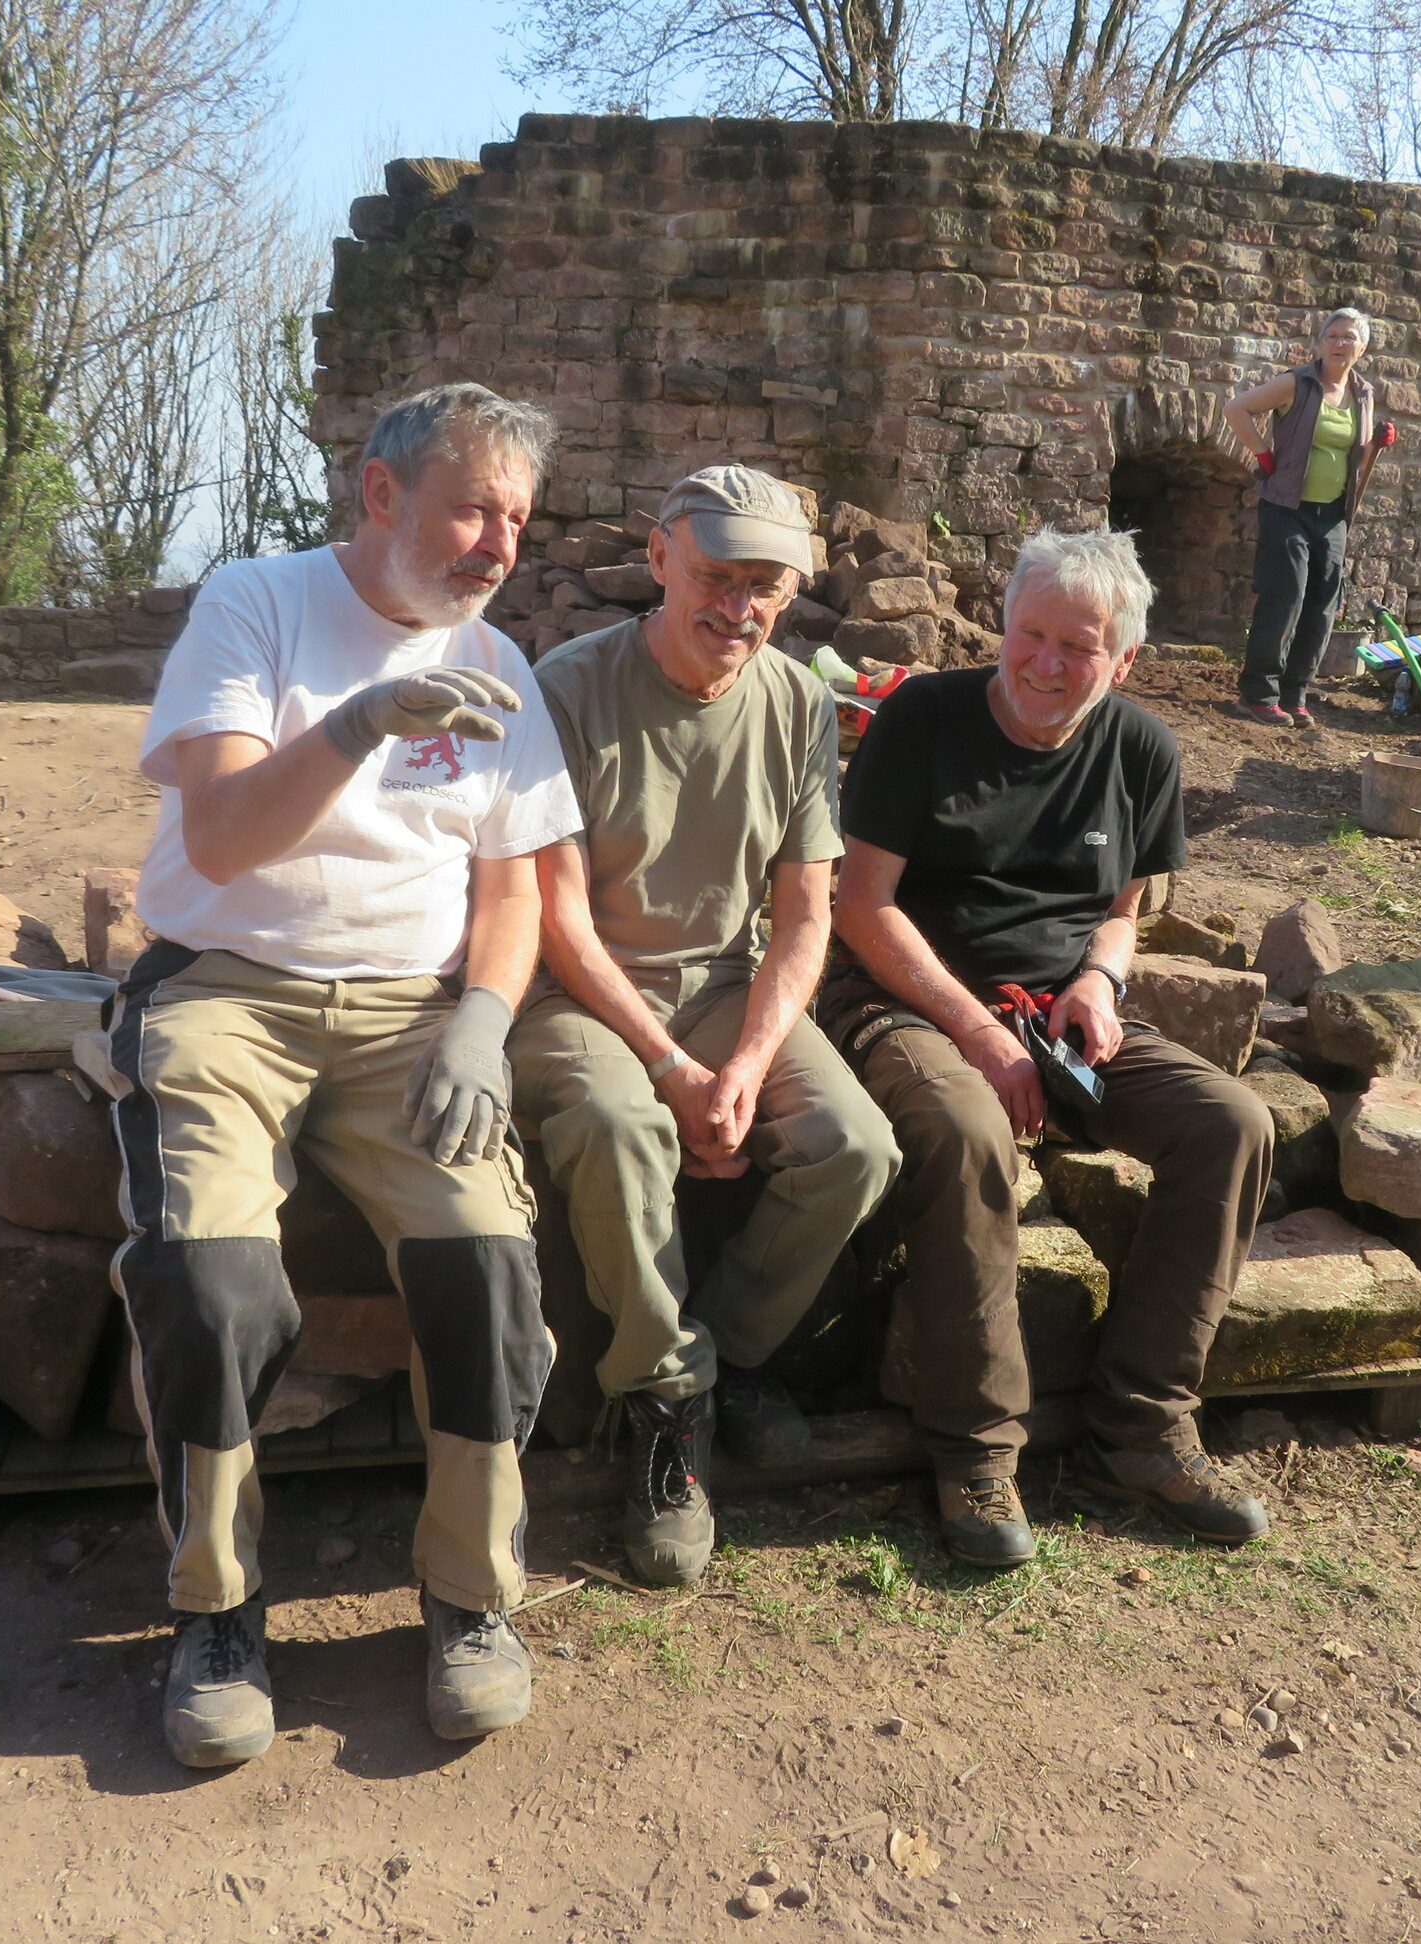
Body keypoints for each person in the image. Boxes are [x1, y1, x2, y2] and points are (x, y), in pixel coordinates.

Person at [109, 381, 584, 1766]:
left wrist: (483, 1017)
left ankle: (472, 1598)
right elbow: (221, 841)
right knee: (208, 1277)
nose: (498, 545)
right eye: (472, 509)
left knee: (487, 1263)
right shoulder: (255, 606)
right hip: (224, 990)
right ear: (381, 494)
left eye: (517, 519)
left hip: (407, 1017)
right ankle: (217, 1611)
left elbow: (512, 890)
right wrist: (360, 722)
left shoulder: (501, 663)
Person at [825, 526, 1275, 1567]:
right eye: (1029, 635)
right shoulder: (923, 718)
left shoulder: (1143, 751)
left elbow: (1122, 911)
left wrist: (1099, 983)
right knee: (965, 1128)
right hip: (907, 997)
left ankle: (1143, 1424)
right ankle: (975, 1449)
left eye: (1078, 647)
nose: (1043, 663)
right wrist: (980, 1035)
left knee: (1233, 1124)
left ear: (1123, 661)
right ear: (1002, 626)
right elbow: (863, 907)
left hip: (1055, 1016)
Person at [511, 467, 901, 1588]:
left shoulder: (797, 704)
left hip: (726, 983)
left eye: (766, 585)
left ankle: (706, 1364)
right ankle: (667, 1412)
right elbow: (556, 918)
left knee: (853, 1146)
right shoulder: (566, 690)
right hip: (580, 991)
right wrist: (671, 1068)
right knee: (620, 1126)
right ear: (660, 558)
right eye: (718, 577)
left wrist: (745, 1063)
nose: (739, 607)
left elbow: (807, 915)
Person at [1222, 307, 1379, 728]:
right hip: (1286, 508)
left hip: (1333, 515)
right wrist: (1263, 455)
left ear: (1362, 347)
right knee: (1284, 597)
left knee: (1323, 605)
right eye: (1332, 336)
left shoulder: (1363, 393)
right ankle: (1258, 694)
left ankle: (1295, 695)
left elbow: (1358, 457)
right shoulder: (1296, 383)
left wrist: (1376, 446)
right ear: (1320, 342)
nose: (1339, 343)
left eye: (1348, 337)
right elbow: (1236, 409)